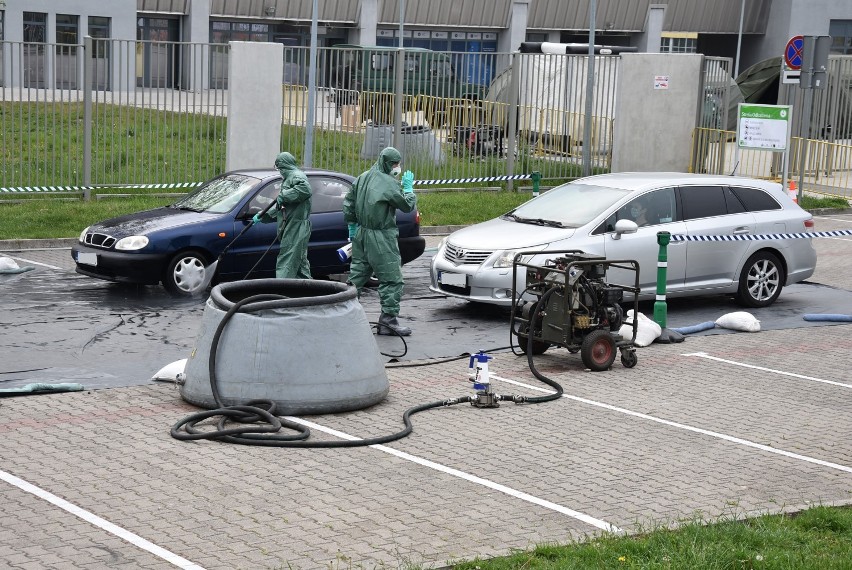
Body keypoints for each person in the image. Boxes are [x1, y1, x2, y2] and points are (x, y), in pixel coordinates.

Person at [343, 147, 417, 336]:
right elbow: (407, 206)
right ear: (387, 163)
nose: (397, 167)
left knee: (357, 276)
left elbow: (349, 202)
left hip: (361, 235)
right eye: (395, 164)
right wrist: (408, 189)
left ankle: (345, 316)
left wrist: (352, 226)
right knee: (392, 279)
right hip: (381, 237)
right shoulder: (388, 183)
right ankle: (388, 321)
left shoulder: (363, 177)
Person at [252, 151, 312, 279]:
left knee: (287, 262)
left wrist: (283, 196)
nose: (279, 171)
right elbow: (284, 208)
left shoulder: (296, 176)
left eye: (279, 168)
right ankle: (310, 294)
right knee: (299, 266)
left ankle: (282, 291)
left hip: (296, 227)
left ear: (284, 165)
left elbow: (305, 190)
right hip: (292, 226)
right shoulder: (288, 178)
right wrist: (264, 215)